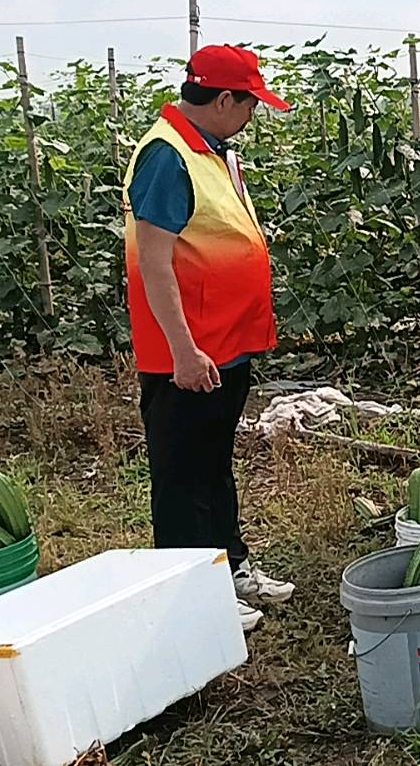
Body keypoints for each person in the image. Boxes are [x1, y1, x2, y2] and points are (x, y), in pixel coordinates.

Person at [124, 45, 296, 632]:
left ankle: (232, 565)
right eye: (250, 104)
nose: (252, 115)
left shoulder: (211, 151)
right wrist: (183, 350)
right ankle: (193, 596)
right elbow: (154, 263)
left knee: (214, 465)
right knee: (182, 478)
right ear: (224, 100)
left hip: (225, 344)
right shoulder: (167, 156)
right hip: (189, 352)